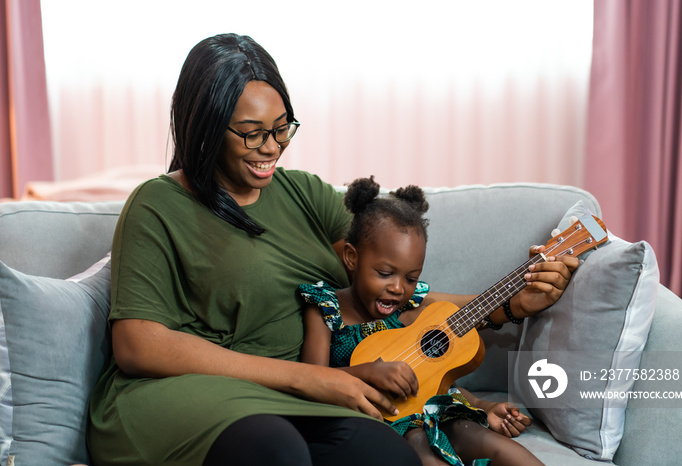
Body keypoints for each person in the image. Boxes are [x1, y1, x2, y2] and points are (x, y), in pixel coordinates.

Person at [86, 33, 576, 466]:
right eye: (253, 133)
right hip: (179, 394)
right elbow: (137, 344)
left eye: (283, 128)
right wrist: (310, 379)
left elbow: (385, 284)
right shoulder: (157, 205)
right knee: (274, 449)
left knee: (387, 455)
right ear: (207, 125)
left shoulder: (303, 194)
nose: (272, 147)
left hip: (294, 396)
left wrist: (507, 304)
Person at [299, 177, 552, 466]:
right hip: (383, 423)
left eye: (411, 278)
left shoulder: (410, 307)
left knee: (494, 445)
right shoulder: (324, 308)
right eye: (384, 273)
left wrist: (484, 406)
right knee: (419, 446)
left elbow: (435, 381)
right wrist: (367, 372)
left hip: (436, 411)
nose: (398, 288)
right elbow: (311, 379)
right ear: (351, 257)